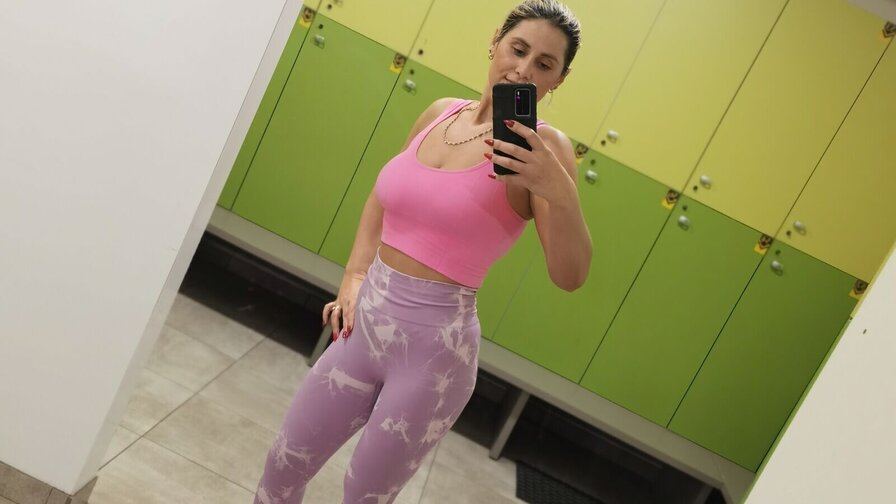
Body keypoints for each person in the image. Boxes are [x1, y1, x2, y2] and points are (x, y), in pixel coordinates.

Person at [254, 1, 591, 502]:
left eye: (544, 64)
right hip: (362, 328)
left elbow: (570, 274)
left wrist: (560, 192)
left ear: (559, 79)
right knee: (282, 469)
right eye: (518, 49)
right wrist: (354, 275)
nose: (523, 69)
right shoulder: (440, 113)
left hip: (435, 358)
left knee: (362, 496)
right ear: (495, 41)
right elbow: (382, 196)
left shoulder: (545, 148)